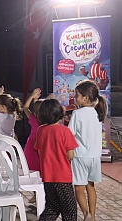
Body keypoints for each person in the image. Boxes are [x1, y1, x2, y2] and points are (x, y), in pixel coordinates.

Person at [68, 80, 107, 221]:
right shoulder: (98, 114)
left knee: (79, 188)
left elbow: (69, 134)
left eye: (77, 95)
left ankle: (86, 214)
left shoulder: (77, 114)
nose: (75, 98)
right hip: (95, 157)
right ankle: (93, 216)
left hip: (80, 157)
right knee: (91, 186)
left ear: (85, 98)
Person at [35, 99, 78, 221]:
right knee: (69, 211)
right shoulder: (64, 131)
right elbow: (71, 155)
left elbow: (39, 150)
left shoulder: (41, 130)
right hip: (62, 177)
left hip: (48, 176)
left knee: (52, 207)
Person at [23, 88, 42, 172]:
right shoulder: (48, 122)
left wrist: (32, 97)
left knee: (30, 170)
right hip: (42, 148)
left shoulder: (34, 119)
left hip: (31, 146)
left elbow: (26, 108)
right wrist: (35, 99)